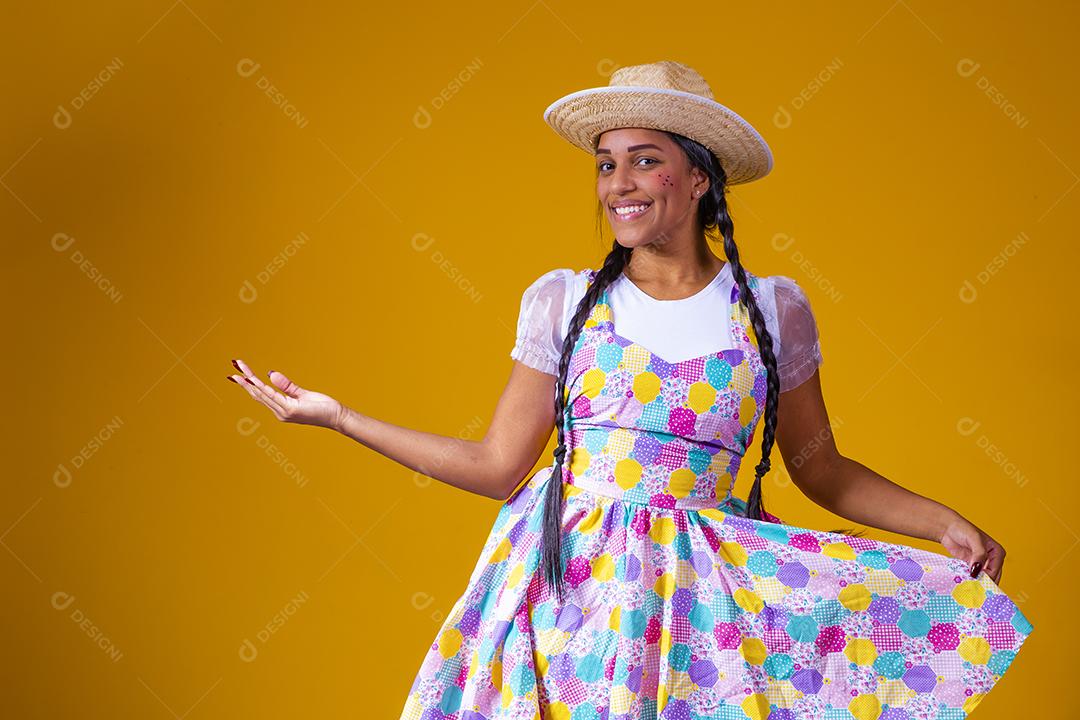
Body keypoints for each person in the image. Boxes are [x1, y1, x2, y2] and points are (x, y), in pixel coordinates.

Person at [227, 60, 1033, 720]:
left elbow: (822, 469)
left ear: (700, 179)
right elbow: (498, 466)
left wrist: (941, 522)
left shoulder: (774, 311)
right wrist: (340, 419)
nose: (619, 182)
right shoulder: (566, 302)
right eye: (606, 163)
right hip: (569, 599)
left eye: (645, 158)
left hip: (706, 611)